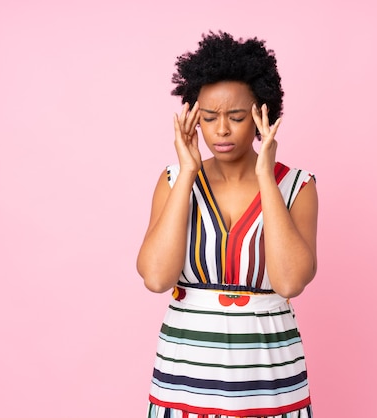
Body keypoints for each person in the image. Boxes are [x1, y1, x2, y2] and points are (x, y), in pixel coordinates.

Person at [137, 31, 318, 418]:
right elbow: (156, 278)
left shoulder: (296, 186)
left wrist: (266, 177)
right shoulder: (173, 181)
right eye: (208, 117)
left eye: (236, 117)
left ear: (261, 115)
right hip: (182, 386)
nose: (221, 130)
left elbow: (289, 283)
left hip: (271, 390)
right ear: (192, 118)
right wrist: (187, 170)